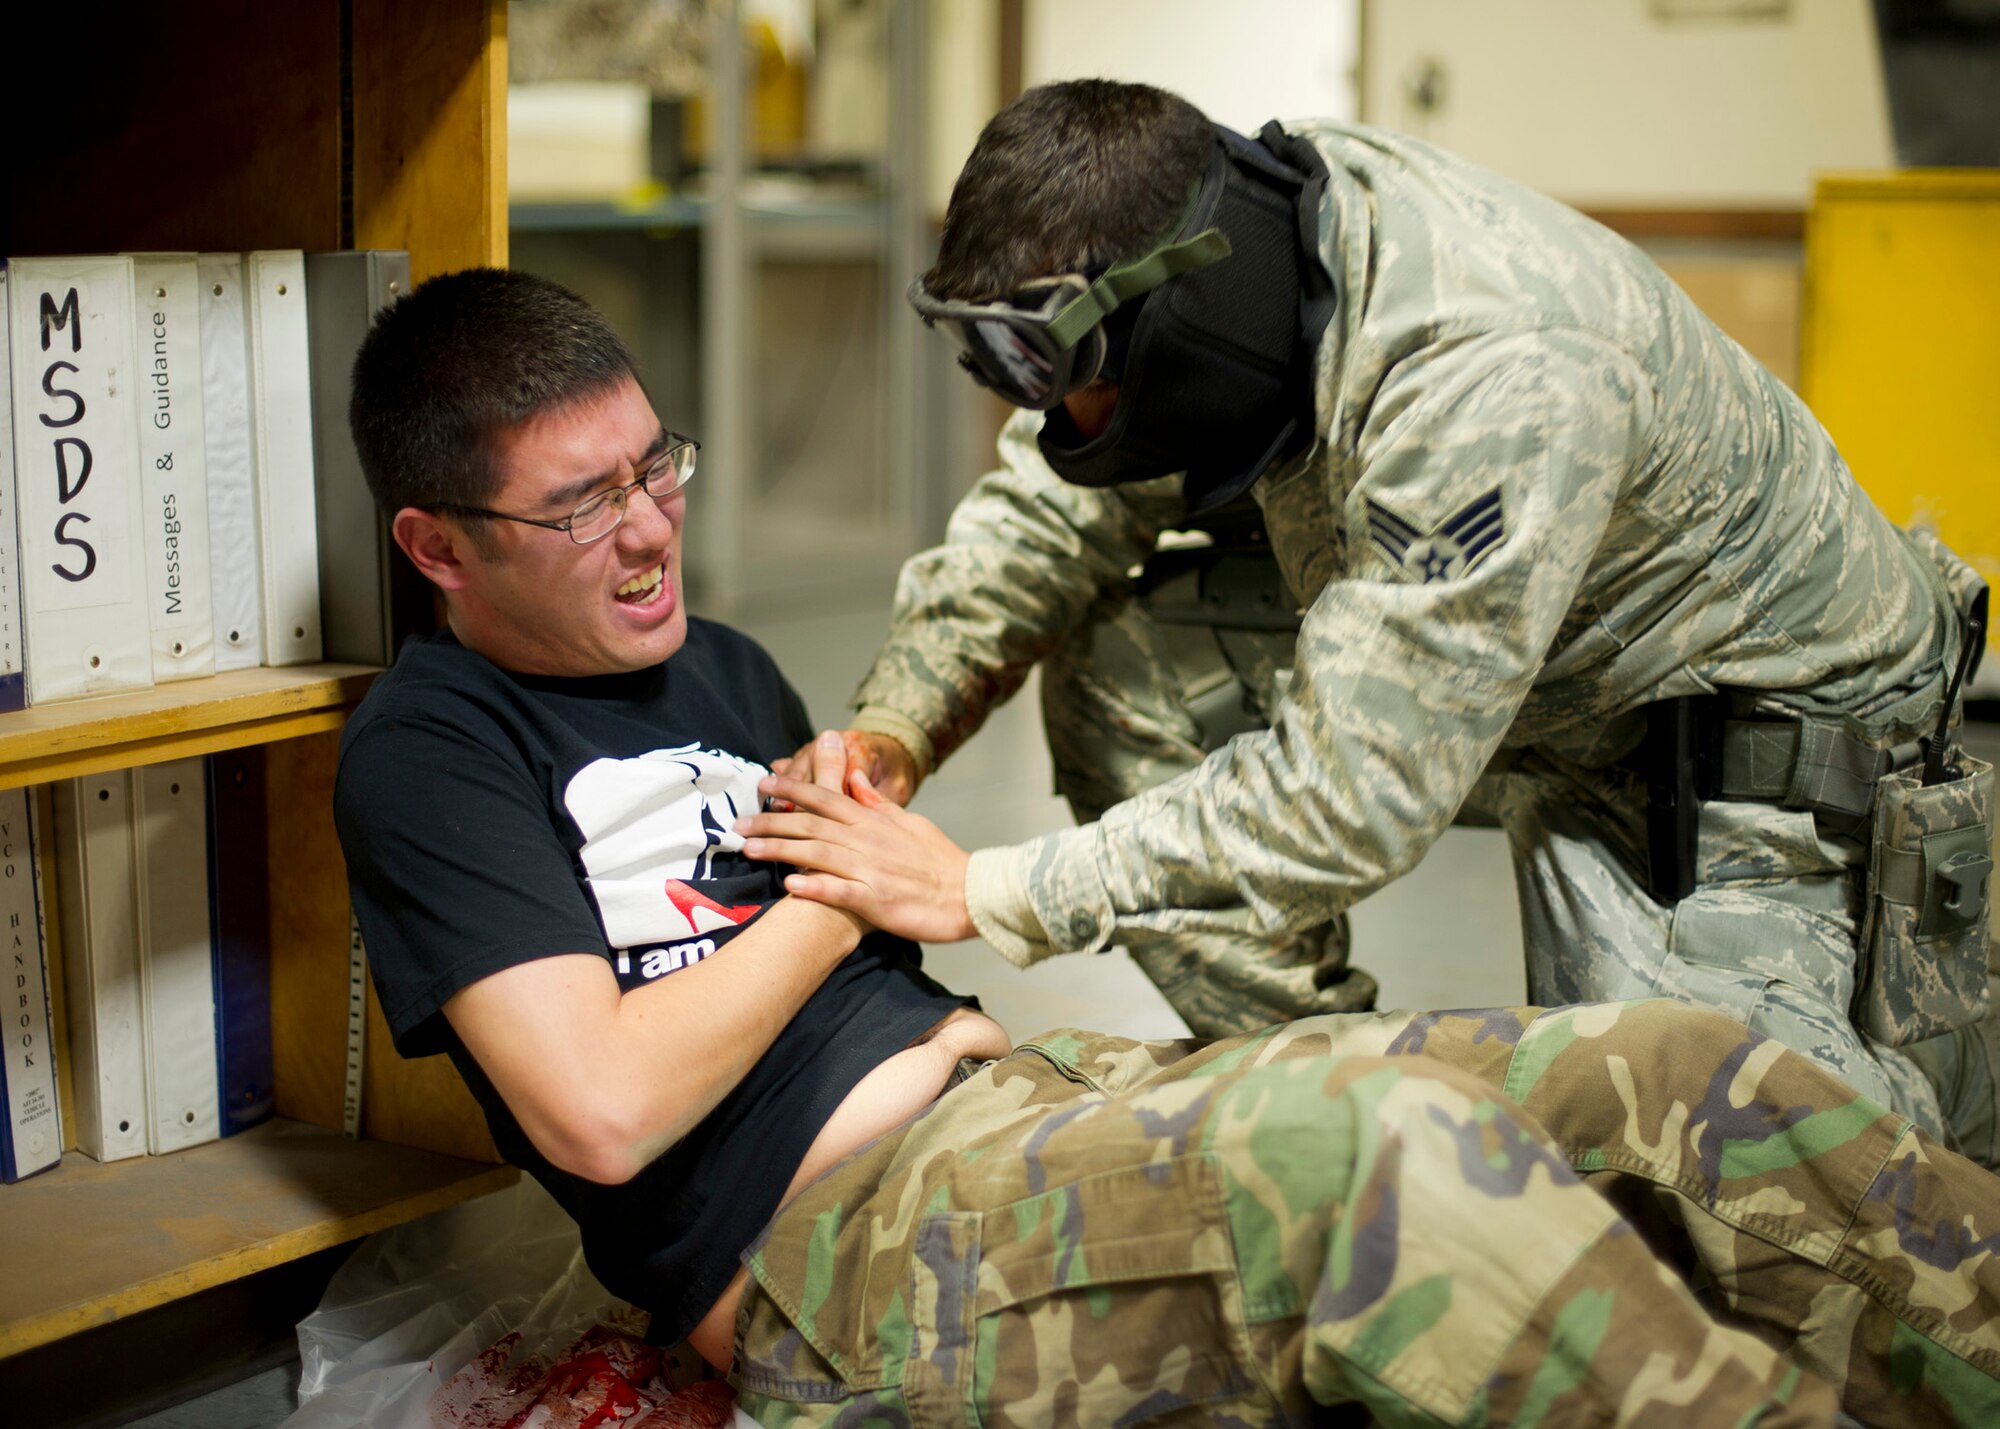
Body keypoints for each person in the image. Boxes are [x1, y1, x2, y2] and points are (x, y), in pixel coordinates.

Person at [333, 267, 2000, 1427]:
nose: (645, 530)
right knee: (1402, 1158)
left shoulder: (715, 665)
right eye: (579, 504)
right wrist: (842, 904)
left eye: (656, 467)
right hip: (836, 1255)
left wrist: (875, 871)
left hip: (1021, 1104)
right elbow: (604, 1109)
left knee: (1668, 1075)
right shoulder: (433, 749)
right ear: (439, 546)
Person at [770, 79, 1998, 1163]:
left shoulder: (1485, 368)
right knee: (1126, 666)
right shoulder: (1241, 253)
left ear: (1174, 310)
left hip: (1759, 777)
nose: (1049, 409)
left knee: (1747, 1234)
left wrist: (984, 887)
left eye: (1052, 364)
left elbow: (1350, 796)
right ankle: (1346, 1112)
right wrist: (896, 729)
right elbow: (1050, 515)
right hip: (1541, 687)